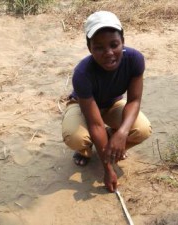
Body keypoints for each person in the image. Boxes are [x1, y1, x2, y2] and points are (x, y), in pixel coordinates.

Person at [62, 11, 152, 192]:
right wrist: (108, 168)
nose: (109, 53)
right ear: (89, 48)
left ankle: (111, 142)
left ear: (123, 42)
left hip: (112, 104)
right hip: (83, 106)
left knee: (142, 129)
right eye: (99, 47)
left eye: (114, 45)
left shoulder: (134, 60)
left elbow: (134, 100)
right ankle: (86, 151)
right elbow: (95, 123)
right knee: (76, 138)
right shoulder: (82, 74)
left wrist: (122, 133)